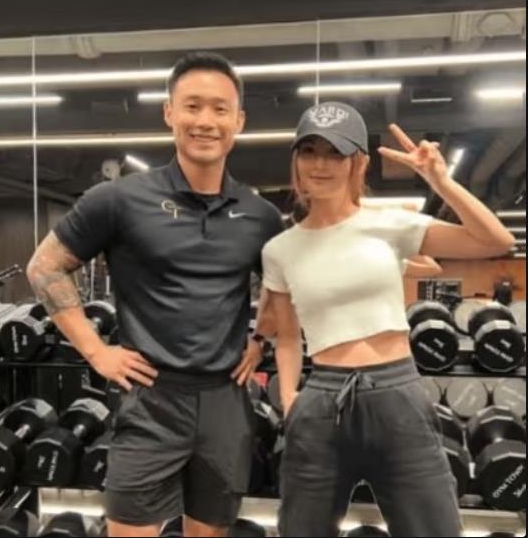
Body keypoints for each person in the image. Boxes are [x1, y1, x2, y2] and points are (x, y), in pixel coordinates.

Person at [26, 52, 282, 538]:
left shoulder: (260, 215)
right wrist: (96, 351)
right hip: (150, 397)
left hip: (225, 401)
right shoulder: (119, 199)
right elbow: (44, 267)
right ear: (169, 112)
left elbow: (280, 282)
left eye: (220, 109)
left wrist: (260, 337)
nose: (205, 121)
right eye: (192, 106)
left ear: (239, 121)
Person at [261, 101, 515, 538]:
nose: (320, 164)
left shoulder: (391, 225)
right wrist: (289, 398)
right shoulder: (280, 250)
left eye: (335, 153)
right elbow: (286, 337)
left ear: (357, 162)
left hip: (396, 394)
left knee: (433, 530)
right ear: (296, 160)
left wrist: (440, 181)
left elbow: (496, 240)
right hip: (321, 402)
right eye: (309, 151)